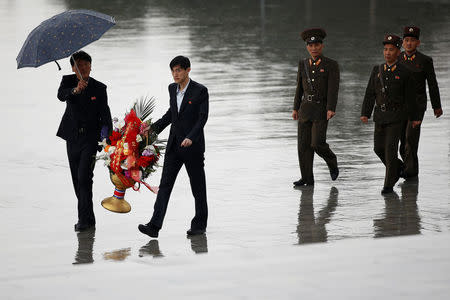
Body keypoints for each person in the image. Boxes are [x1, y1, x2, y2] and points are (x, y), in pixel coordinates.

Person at [138, 56, 209, 238]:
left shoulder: (200, 91)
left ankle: (199, 225)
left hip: (192, 148)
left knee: (198, 188)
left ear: (188, 70)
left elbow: (202, 119)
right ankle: (154, 226)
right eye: (173, 70)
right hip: (173, 148)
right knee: (165, 187)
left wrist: (191, 138)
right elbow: (171, 114)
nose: (175, 74)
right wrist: (151, 130)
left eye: (179, 70)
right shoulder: (172, 89)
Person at [57, 51, 112, 232]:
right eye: (78, 65)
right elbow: (61, 95)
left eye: (85, 65)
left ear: (90, 66)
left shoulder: (99, 88)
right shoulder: (68, 82)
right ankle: (89, 218)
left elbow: (105, 116)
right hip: (72, 137)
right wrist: (75, 90)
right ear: (73, 68)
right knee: (77, 180)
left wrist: (106, 140)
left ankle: (83, 221)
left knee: (84, 177)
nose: (83, 68)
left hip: (90, 139)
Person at [360, 35, 420, 194]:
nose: (387, 52)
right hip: (380, 116)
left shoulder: (405, 72)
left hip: (397, 117)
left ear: (398, 52)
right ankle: (399, 168)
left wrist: (414, 118)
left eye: (391, 49)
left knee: (390, 149)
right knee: (378, 148)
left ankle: (388, 184)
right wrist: (365, 112)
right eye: (385, 49)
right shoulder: (377, 70)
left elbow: (411, 98)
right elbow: (370, 93)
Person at [292, 28, 340, 187]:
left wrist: (331, 107)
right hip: (305, 108)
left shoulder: (331, 65)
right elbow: (299, 87)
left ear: (322, 46)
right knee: (303, 146)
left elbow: (333, 88)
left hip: (321, 109)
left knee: (317, 143)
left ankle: (332, 161)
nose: (314, 48)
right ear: (307, 47)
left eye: (317, 44)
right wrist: (295, 107)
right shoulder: (303, 64)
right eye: (310, 45)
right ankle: (306, 178)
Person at [398, 26, 443, 179]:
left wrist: (436, 106)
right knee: (402, 144)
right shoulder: (397, 58)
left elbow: (432, 84)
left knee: (411, 139)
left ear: (418, 43)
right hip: (399, 106)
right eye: (406, 40)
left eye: (412, 41)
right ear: (403, 43)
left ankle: (410, 173)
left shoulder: (425, 60)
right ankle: (411, 171)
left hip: (417, 106)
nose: (409, 43)